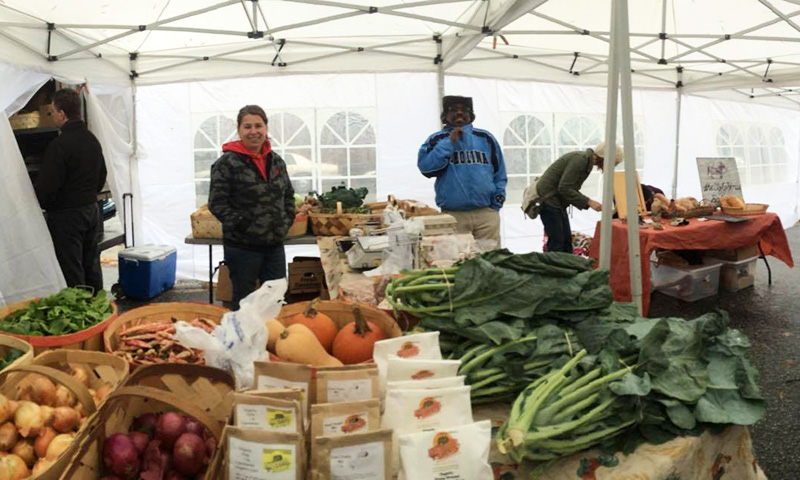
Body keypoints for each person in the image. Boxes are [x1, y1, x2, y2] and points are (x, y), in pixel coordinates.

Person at [209, 105, 295, 309]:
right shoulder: (227, 163)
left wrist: (284, 222)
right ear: (239, 130)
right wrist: (245, 225)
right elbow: (217, 203)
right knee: (244, 303)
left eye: (258, 125)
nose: (254, 131)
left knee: (275, 299)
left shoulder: (276, 161)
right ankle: (244, 341)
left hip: (274, 246)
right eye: (247, 126)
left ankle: (272, 340)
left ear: (266, 128)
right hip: (242, 247)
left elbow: (288, 195)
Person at [35, 88, 107, 294]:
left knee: (72, 268)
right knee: (91, 263)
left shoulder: (59, 145)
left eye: (53, 111)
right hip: (91, 210)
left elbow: (47, 187)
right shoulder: (92, 140)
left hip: (67, 215)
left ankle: (81, 317)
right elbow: (101, 177)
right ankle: (98, 311)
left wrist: (45, 204)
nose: (53, 115)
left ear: (61, 114)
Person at [418, 95, 507, 247]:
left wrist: (496, 202)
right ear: (445, 116)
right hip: (453, 215)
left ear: (471, 115)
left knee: (491, 260)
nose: (459, 113)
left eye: (464, 110)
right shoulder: (436, 139)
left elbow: (499, 172)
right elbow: (426, 167)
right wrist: (449, 142)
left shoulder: (486, 138)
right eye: (453, 110)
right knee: (458, 260)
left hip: (486, 213)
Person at [536, 142, 623, 254]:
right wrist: (589, 202)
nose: (611, 167)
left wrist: (588, 202)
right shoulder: (580, 160)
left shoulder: (585, 161)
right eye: (612, 164)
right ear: (604, 158)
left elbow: (567, 187)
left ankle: (565, 270)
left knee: (566, 243)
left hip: (557, 204)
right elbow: (564, 188)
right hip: (549, 203)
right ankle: (554, 271)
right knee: (557, 244)